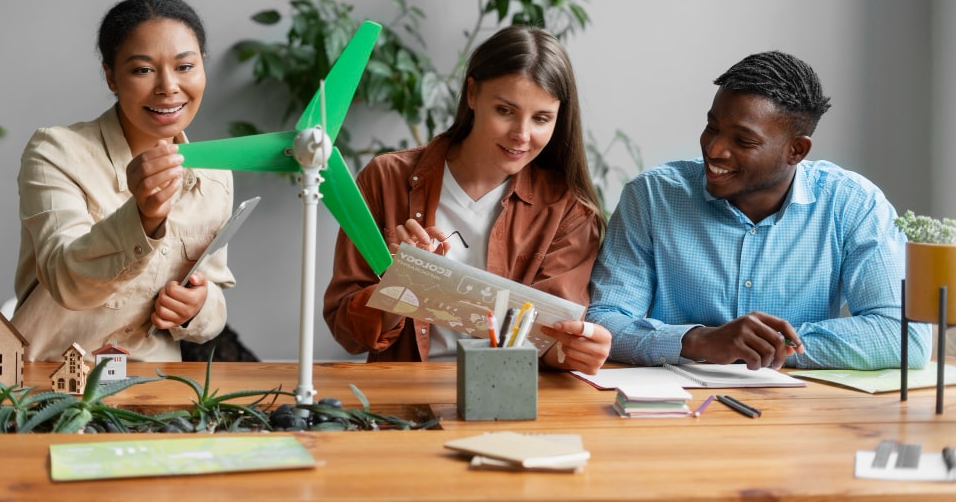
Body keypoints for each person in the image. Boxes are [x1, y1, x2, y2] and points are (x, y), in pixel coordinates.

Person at [586, 51, 931, 371]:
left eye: (743, 141)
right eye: (712, 127)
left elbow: (904, 336)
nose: (715, 149)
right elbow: (603, 320)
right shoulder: (652, 197)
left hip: (799, 415)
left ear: (796, 150)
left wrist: (768, 346)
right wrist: (700, 341)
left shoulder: (853, 204)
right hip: (679, 410)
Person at [323, 25, 611, 373]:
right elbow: (346, 332)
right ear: (472, 94)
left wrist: (575, 350)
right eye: (505, 110)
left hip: (508, 395)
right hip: (403, 395)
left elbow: (549, 345)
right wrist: (403, 284)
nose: (521, 135)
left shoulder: (568, 210)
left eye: (541, 119)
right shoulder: (385, 178)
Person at [13, 0, 235, 362]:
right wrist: (142, 219)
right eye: (142, 69)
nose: (168, 86)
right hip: (49, 384)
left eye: (185, 66)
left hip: (154, 387)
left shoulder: (214, 175)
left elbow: (212, 293)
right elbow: (67, 281)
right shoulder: (55, 152)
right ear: (111, 77)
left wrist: (197, 307)